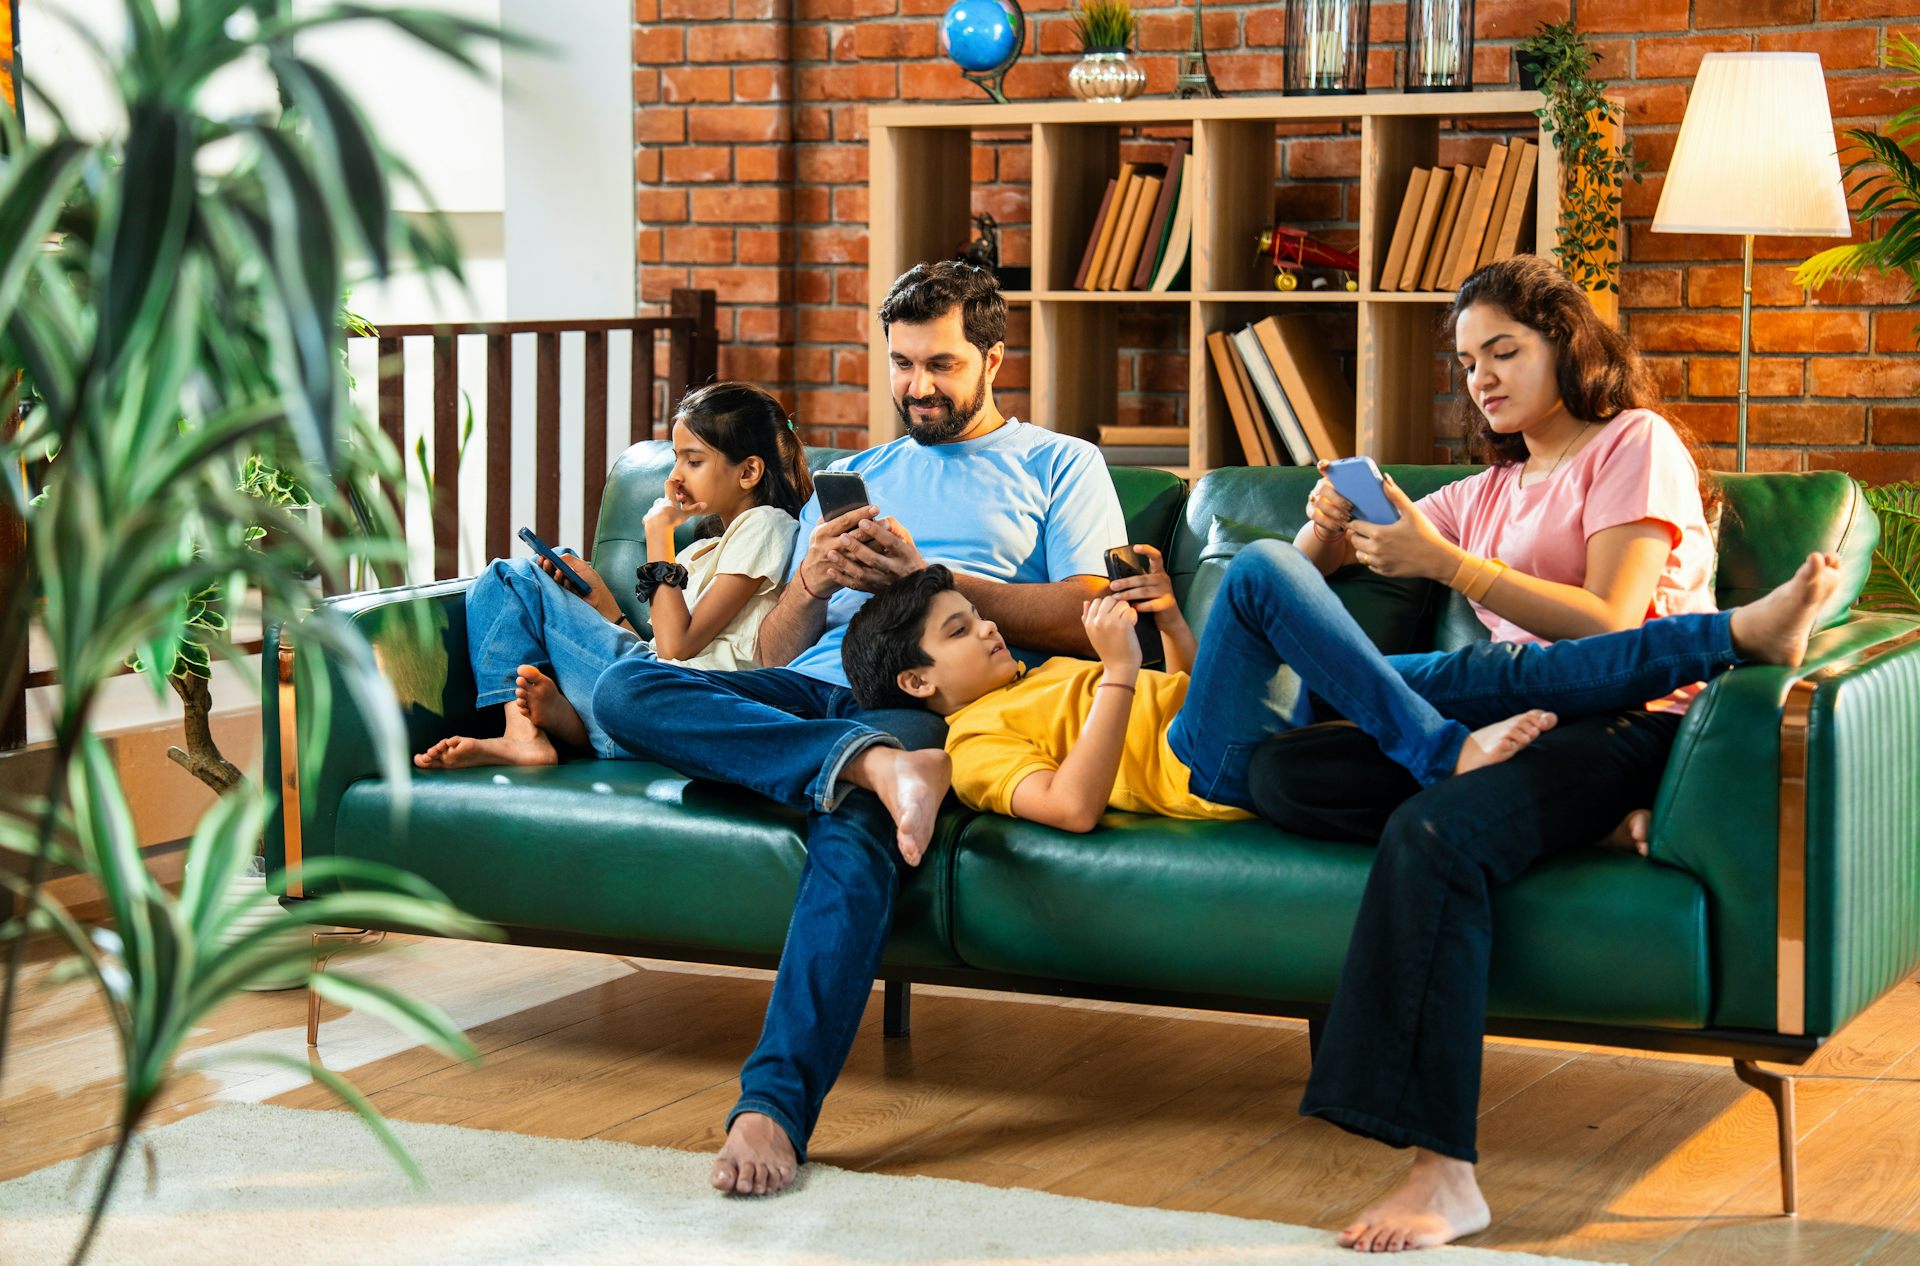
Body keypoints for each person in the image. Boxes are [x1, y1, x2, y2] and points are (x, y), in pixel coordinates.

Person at [1252, 252, 1781, 1252]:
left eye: (1503, 350)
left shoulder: (1634, 441)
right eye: (1465, 361)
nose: (1481, 377)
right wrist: (1322, 527)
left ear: (1566, 347)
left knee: (1435, 835)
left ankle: (1444, 1176)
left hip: (1627, 717)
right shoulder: (1486, 488)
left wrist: (1452, 568)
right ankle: (1575, 825)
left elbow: (1616, 624)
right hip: (1512, 733)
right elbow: (1324, 575)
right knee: (1280, 769)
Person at [588, 260, 1127, 1196]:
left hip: (923, 703)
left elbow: (1090, 613)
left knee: (854, 837)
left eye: (942, 365)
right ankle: (869, 766)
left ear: (995, 359)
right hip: (812, 693)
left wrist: (933, 581)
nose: (917, 386)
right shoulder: (860, 474)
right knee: (627, 689)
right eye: (902, 363)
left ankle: (772, 1109)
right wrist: (814, 581)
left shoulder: (1059, 462)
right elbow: (769, 653)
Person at [838, 554, 1837, 832]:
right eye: (965, 630)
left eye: (981, 614)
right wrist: (1116, 675)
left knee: (1499, 673)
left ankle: (1738, 635)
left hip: (1229, 718)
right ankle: (1443, 754)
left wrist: (1171, 624)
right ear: (920, 681)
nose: (993, 626)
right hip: (1214, 770)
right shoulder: (971, 747)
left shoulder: (1034, 676)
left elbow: (1182, 685)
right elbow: (1074, 805)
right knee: (1267, 569)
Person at [414, 381, 809, 770]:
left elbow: (675, 650)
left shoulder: (766, 525)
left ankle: (538, 733)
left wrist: (658, 533)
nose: (674, 477)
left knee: (509, 578)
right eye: (675, 459)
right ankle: (567, 728)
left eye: (693, 460)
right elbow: (660, 648)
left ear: (749, 472)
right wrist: (601, 600)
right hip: (648, 687)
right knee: (528, 576)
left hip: (688, 700)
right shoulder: (703, 549)